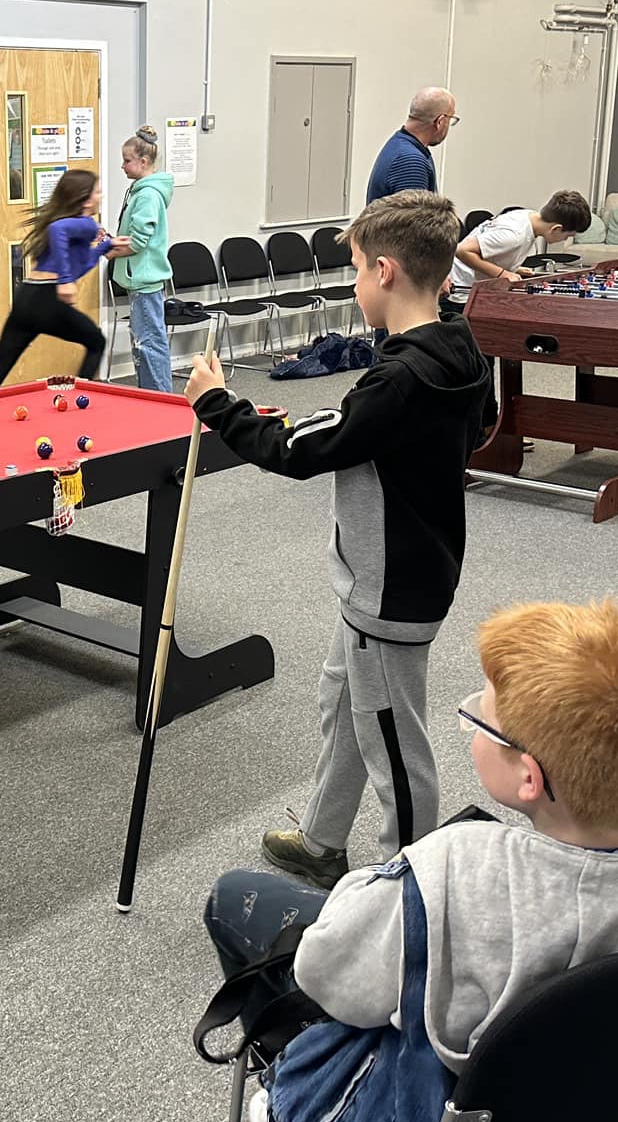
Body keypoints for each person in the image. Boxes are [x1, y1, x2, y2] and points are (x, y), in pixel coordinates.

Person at [203, 600, 618, 1122]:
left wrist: (377, 885)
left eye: (481, 713)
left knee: (243, 902)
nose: (472, 719)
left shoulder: (449, 873)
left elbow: (325, 979)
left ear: (529, 778)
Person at [185, 191, 496, 886]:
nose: (354, 283)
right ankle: (324, 840)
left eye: (356, 269)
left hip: (391, 586)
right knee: (346, 699)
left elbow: (301, 448)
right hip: (403, 571)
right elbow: (481, 424)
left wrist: (215, 404)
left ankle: (412, 882)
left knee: (394, 737)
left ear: (384, 273)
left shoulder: (398, 379)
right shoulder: (463, 345)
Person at [0, 168, 116, 388]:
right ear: (85, 200)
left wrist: (107, 246)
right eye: (97, 192)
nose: (100, 197)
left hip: (27, 297)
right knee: (96, 341)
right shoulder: (86, 224)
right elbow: (57, 230)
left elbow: (79, 265)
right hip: (46, 299)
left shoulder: (76, 226)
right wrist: (66, 280)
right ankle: (80, 396)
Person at [108, 126, 175, 392]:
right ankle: (151, 397)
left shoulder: (147, 194)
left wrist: (109, 250)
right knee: (144, 344)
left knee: (150, 345)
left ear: (143, 162)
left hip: (145, 281)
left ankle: (161, 401)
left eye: (127, 161)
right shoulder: (140, 190)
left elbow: (137, 242)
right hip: (140, 281)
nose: (122, 166)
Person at [447, 189, 593, 296]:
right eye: (568, 235)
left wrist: (513, 268)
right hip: (460, 290)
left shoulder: (528, 216)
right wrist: (503, 273)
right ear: (556, 229)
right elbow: (462, 250)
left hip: (473, 286)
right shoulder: (515, 234)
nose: (565, 240)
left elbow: (492, 249)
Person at [366, 87, 455, 202]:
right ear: (440, 122)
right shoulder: (411, 162)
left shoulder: (400, 145)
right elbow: (414, 219)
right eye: (451, 119)